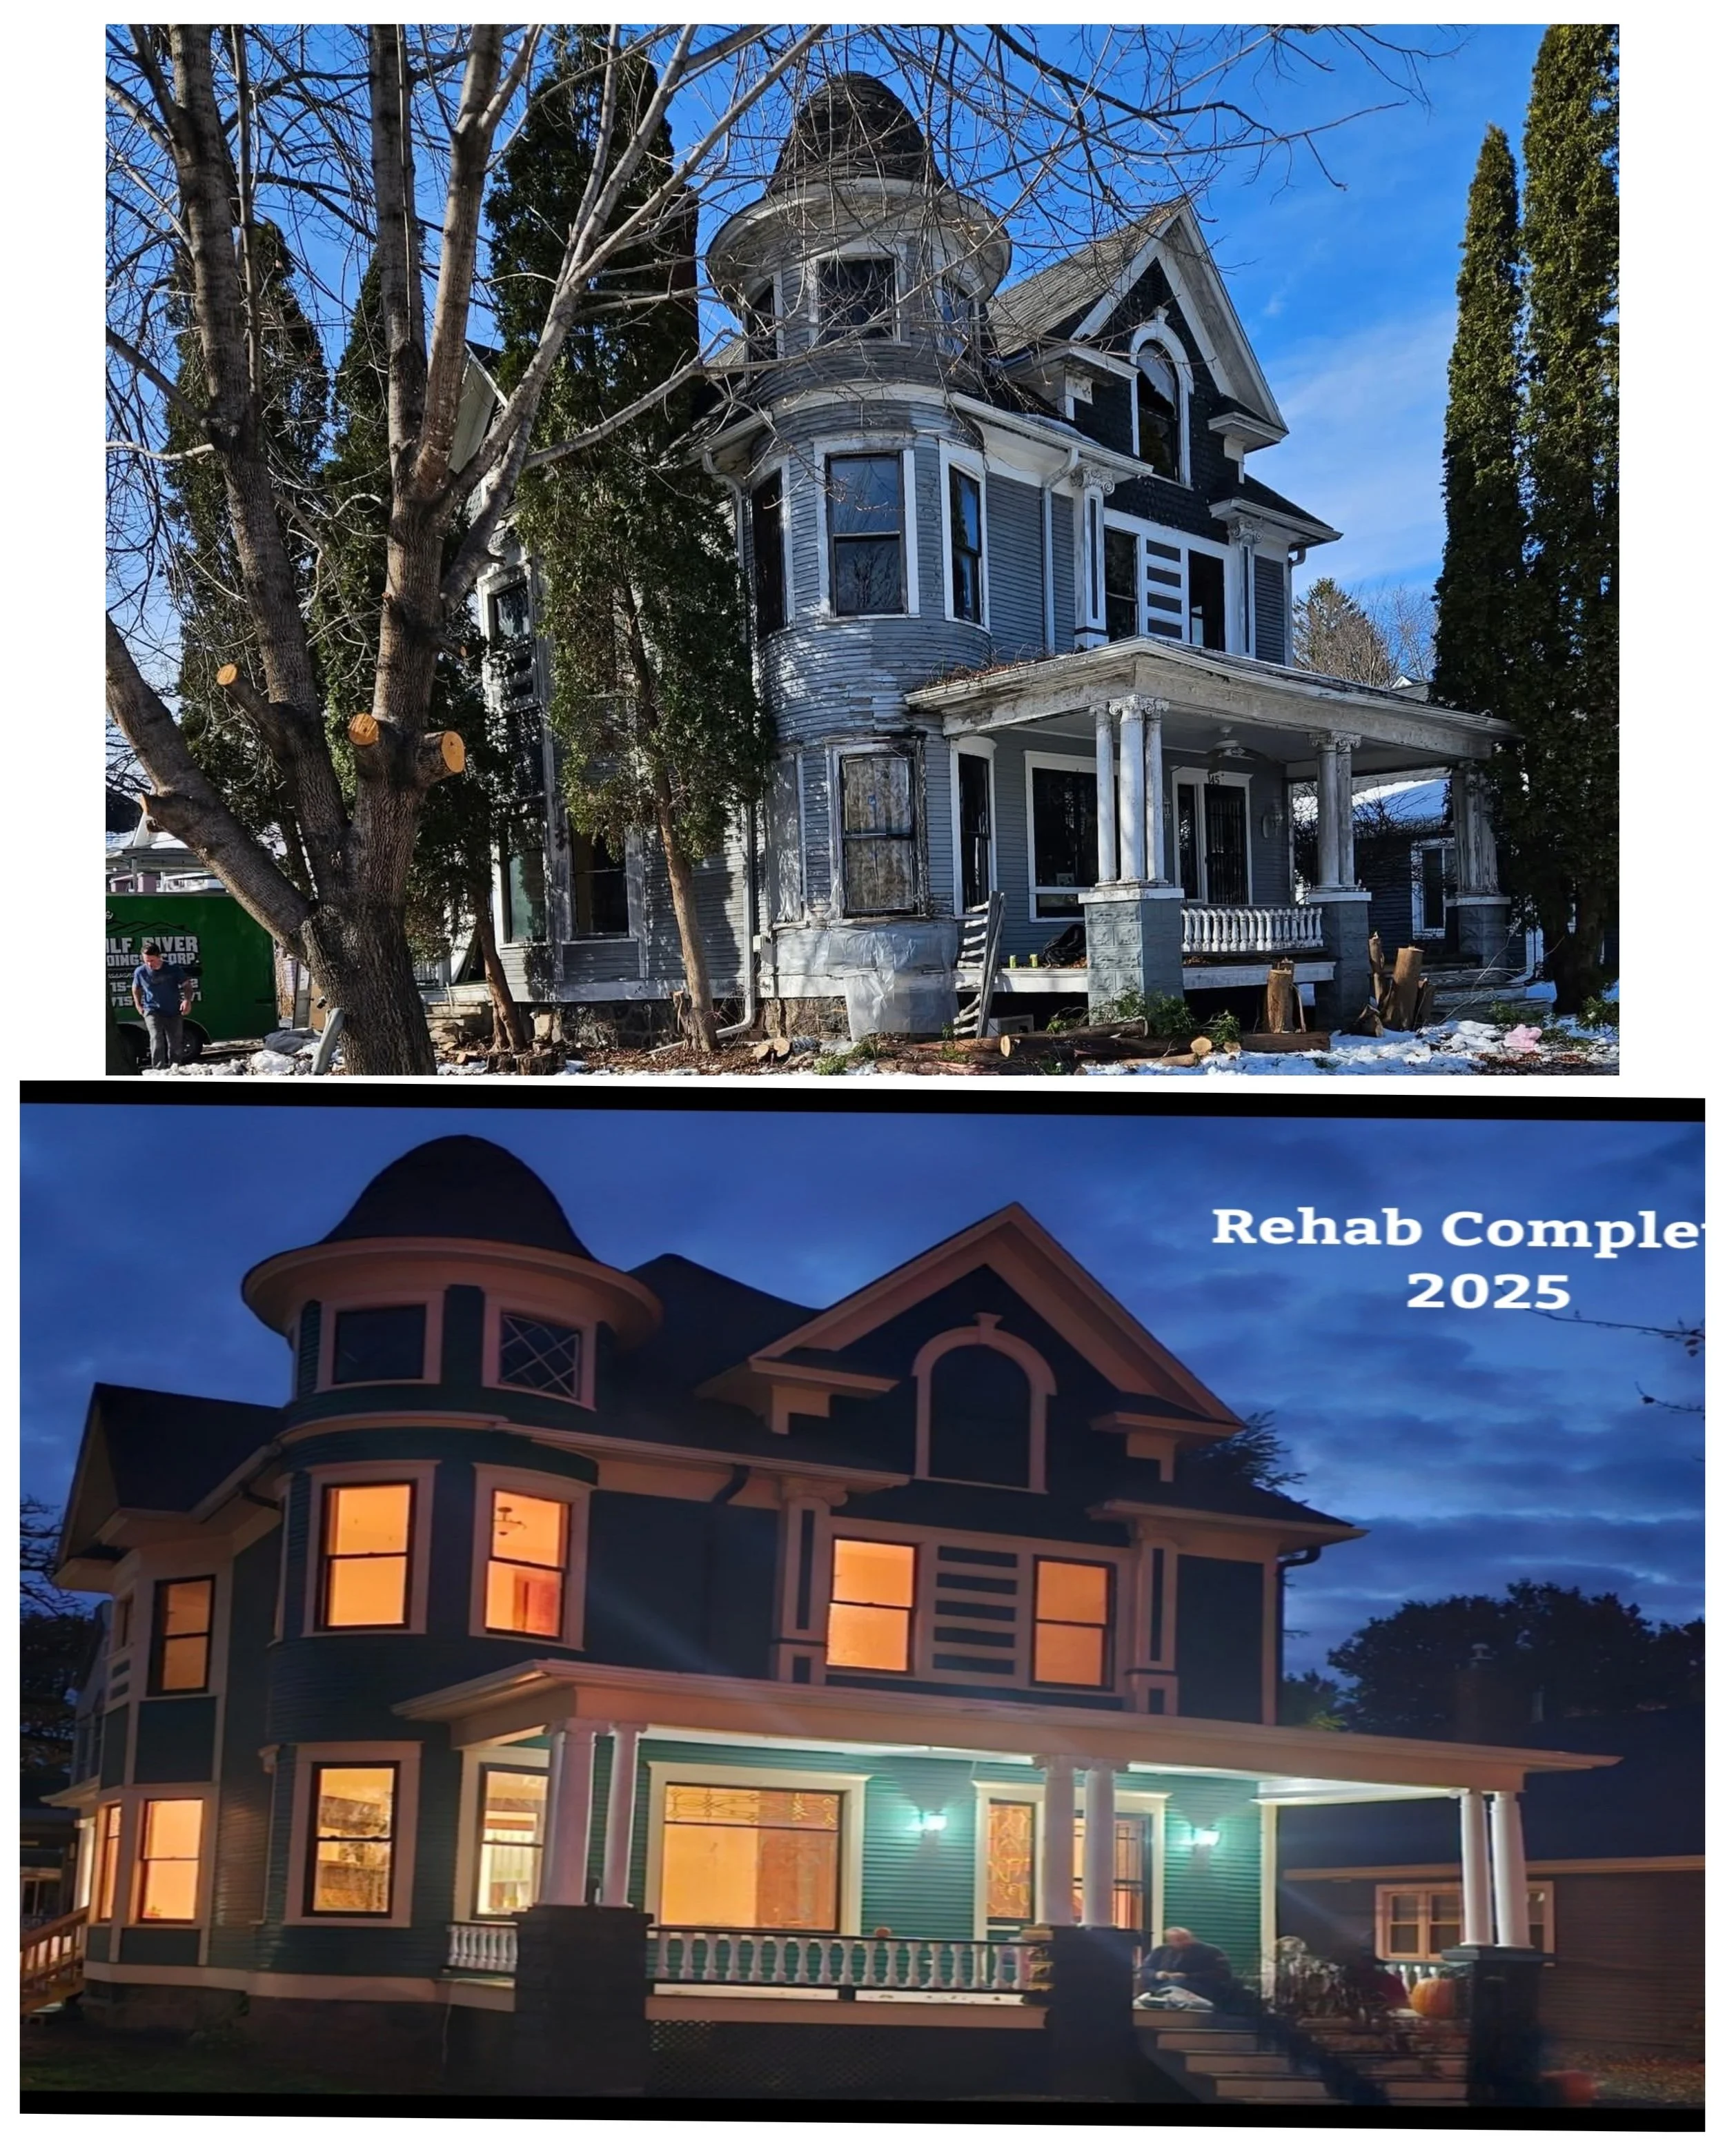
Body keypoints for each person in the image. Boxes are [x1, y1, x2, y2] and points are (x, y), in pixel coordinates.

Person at [1136, 1925, 1236, 2010]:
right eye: (1179, 1940)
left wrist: (1187, 1976)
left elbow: (1223, 1974)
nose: (1185, 1942)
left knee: (1175, 1985)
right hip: (1161, 1986)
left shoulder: (1211, 1952)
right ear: (1170, 1941)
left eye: (1187, 1938)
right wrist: (1157, 1975)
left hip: (1200, 1989)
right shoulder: (1160, 1951)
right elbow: (1145, 1969)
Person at [130, 941, 197, 1069]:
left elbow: (187, 986)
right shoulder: (140, 972)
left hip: (173, 1009)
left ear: (159, 956)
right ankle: (158, 1068)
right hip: (152, 1009)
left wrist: (187, 1000)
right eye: (146, 961)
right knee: (156, 1037)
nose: (150, 964)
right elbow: (136, 988)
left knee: (175, 1041)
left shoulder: (173, 969)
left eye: (152, 960)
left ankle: (175, 1067)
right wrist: (138, 1005)